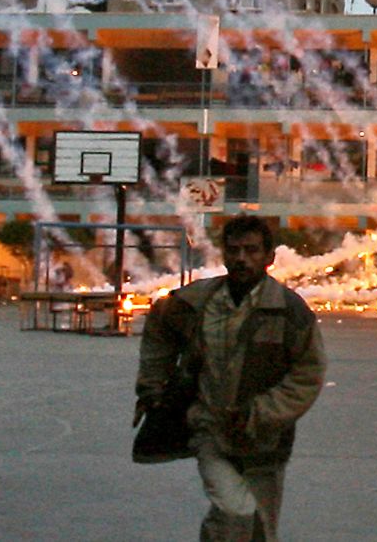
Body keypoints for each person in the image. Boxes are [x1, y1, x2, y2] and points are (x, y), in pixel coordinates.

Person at [135, 215, 326, 540]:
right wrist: (153, 384)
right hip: (209, 429)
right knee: (234, 511)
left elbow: (308, 374)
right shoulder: (197, 302)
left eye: (251, 250)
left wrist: (262, 412)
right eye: (234, 250)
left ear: (269, 257)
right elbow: (159, 327)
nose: (241, 258)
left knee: (260, 530)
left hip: (264, 441)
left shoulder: (289, 312)